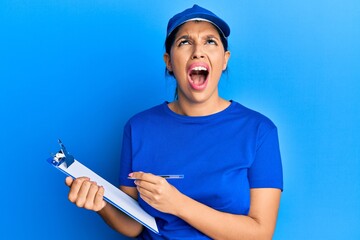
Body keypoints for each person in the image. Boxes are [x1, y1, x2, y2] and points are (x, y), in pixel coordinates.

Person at [65, 4, 283, 239]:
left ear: (224, 60)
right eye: (185, 42)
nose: (198, 51)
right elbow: (134, 225)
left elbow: (261, 233)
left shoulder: (259, 130)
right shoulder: (138, 128)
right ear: (168, 62)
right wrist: (102, 204)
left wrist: (177, 203)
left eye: (210, 41)